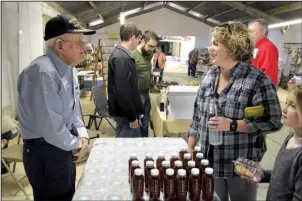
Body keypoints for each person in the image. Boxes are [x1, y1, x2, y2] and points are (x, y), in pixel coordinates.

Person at [187, 21, 282, 201]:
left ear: (232, 46)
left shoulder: (257, 81)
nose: (210, 48)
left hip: (240, 166)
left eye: (216, 43)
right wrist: (191, 146)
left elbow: (274, 121)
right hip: (208, 162)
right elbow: (197, 115)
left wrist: (233, 125)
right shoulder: (209, 76)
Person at [17, 14, 95, 200]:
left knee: (67, 194)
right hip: (46, 151)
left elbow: (74, 111)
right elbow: (51, 128)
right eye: (78, 42)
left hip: (63, 146)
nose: (84, 48)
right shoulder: (43, 73)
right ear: (60, 45)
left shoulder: (69, 69)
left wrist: (82, 136)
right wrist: (76, 144)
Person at [241, 84, 302, 201]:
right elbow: (285, 177)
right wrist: (263, 175)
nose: (284, 109)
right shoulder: (290, 137)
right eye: (287, 103)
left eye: (293, 106)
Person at [107, 22, 144, 138]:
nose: (139, 42)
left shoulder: (122, 55)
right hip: (125, 115)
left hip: (127, 113)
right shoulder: (121, 58)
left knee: (133, 149)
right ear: (132, 38)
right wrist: (132, 116)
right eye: (138, 39)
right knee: (125, 150)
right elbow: (122, 92)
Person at [132, 30, 160, 137]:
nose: (152, 49)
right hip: (136, 96)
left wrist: (152, 82)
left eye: (154, 47)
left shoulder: (149, 54)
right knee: (135, 125)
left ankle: (145, 145)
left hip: (145, 93)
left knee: (145, 123)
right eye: (150, 46)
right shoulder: (132, 55)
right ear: (143, 41)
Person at [248, 19, 279, 85]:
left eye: (251, 31)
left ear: (262, 32)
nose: (249, 34)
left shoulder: (268, 48)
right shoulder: (256, 47)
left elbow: (270, 74)